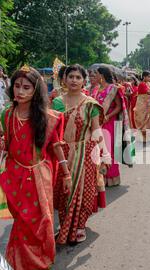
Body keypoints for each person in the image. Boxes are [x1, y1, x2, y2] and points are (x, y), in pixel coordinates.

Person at [0, 66, 68, 270]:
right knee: (20, 226)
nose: (20, 91)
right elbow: (8, 144)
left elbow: (56, 146)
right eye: (17, 86)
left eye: (26, 87)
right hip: (15, 176)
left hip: (38, 177)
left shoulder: (48, 117)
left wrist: (66, 173)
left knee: (38, 229)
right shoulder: (8, 114)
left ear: (36, 89)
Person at [52, 65, 110, 244]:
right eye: (71, 77)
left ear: (84, 81)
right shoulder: (57, 103)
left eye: (78, 77)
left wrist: (105, 154)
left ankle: (79, 226)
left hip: (86, 152)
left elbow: (96, 130)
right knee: (64, 191)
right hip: (63, 152)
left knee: (84, 191)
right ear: (64, 79)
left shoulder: (90, 104)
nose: (74, 80)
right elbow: (53, 131)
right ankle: (64, 224)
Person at [94, 67, 123, 187]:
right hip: (97, 122)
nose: (93, 76)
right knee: (98, 150)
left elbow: (119, 107)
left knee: (109, 150)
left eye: (95, 74)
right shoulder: (96, 89)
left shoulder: (113, 89)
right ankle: (100, 177)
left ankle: (111, 178)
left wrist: (108, 116)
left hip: (109, 122)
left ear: (102, 75)